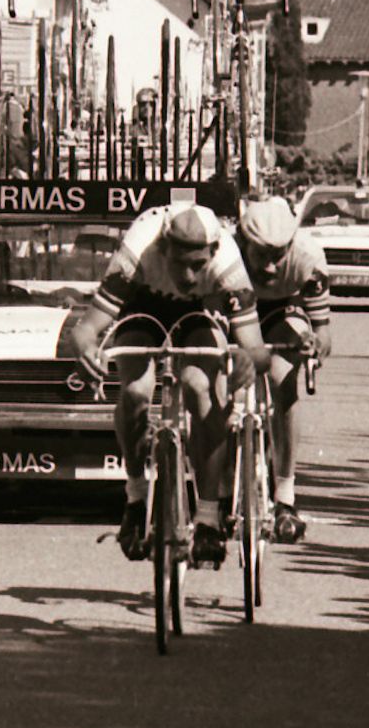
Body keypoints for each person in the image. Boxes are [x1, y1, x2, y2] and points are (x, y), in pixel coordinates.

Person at [68, 203, 270, 567]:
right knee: (135, 392)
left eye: (199, 265)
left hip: (198, 313)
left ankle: (207, 517)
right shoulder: (139, 248)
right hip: (143, 306)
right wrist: (85, 349)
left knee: (200, 387)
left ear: (213, 253)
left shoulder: (228, 263)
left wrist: (247, 360)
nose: (189, 276)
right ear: (163, 249)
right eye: (180, 263)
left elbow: (256, 348)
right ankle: (135, 497)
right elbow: (87, 329)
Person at [236, 197, 333, 542]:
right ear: (243, 242)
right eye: (261, 255)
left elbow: (323, 333)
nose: (270, 267)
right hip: (235, 307)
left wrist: (313, 346)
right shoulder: (225, 252)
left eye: (279, 256)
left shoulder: (309, 259)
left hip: (282, 309)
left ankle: (286, 496)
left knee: (283, 379)